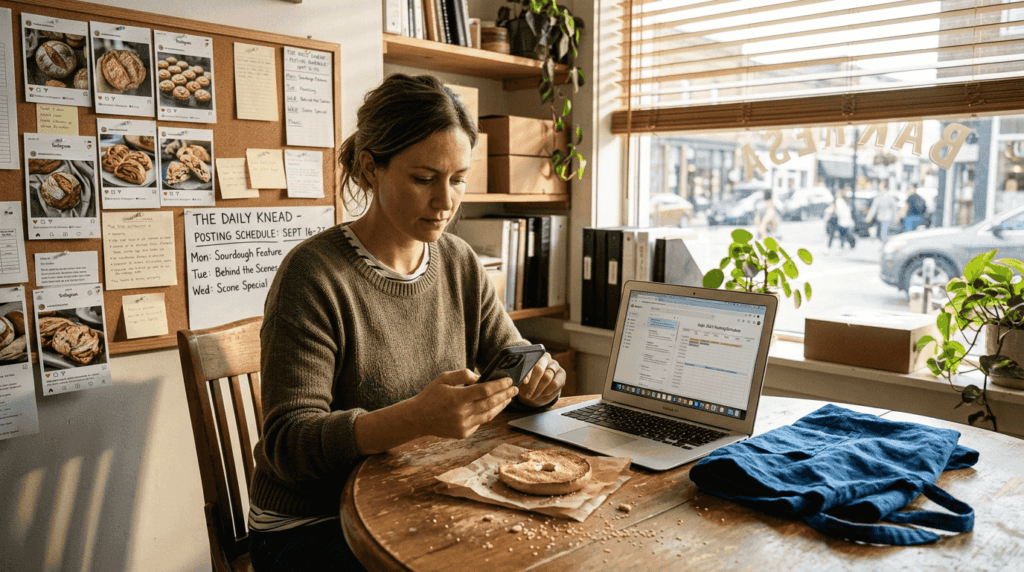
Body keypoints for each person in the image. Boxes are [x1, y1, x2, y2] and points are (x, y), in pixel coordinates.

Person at [246, 74, 566, 571]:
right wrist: (413, 419)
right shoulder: (313, 275)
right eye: (423, 179)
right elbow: (288, 444)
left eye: (458, 179)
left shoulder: (459, 262)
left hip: (418, 493)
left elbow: (513, 361)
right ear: (372, 168)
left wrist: (538, 383)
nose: (445, 201)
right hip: (311, 524)